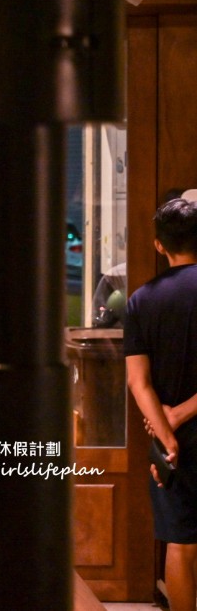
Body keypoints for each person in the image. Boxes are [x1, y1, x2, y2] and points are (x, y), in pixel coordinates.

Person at [125, 197, 197, 611]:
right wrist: (183, 412)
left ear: (159, 246)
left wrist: (168, 432)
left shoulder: (141, 301)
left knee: (181, 547)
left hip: (175, 444)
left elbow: (139, 383)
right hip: (181, 426)